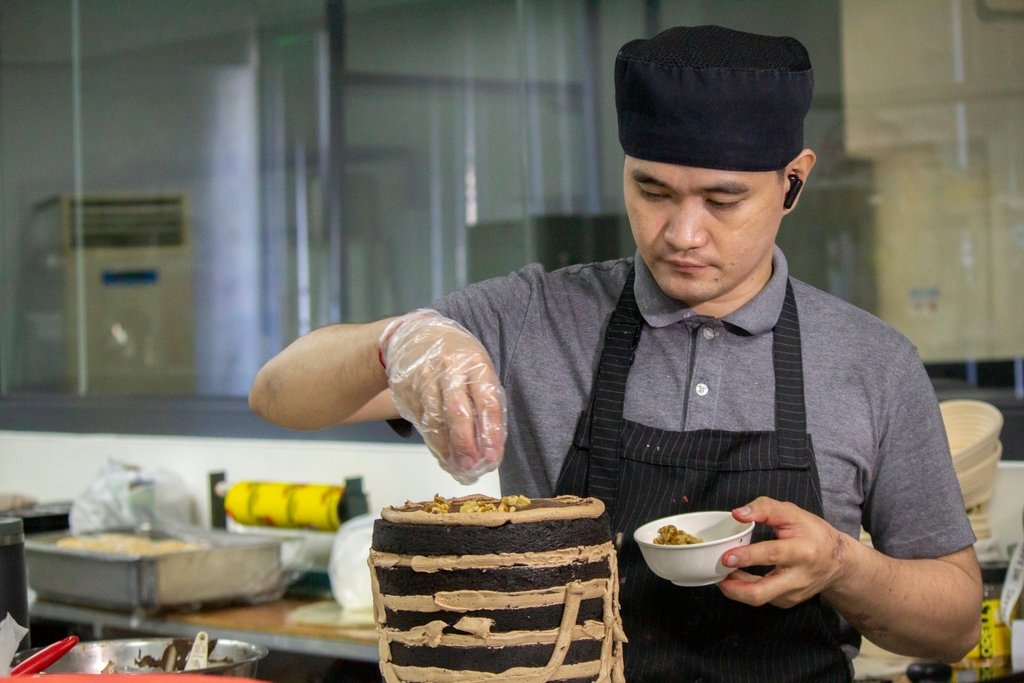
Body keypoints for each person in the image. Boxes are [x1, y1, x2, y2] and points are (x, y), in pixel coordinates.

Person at [250, 25, 981, 682]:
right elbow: (277, 395)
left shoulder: (872, 362)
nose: (682, 232)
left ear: (794, 180)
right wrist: (397, 340)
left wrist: (843, 566)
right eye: (652, 189)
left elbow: (952, 627)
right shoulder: (534, 317)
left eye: (721, 201)